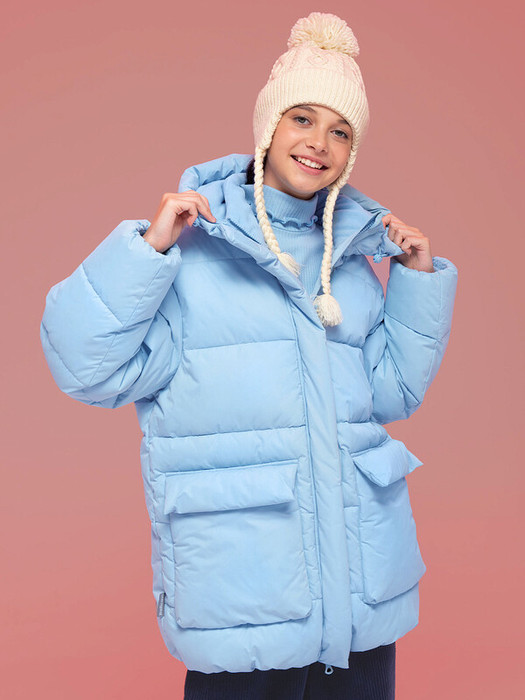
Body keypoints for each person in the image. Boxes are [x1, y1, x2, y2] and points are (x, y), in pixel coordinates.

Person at [40, 11, 458, 700]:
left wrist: (415, 282)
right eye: (302, 118)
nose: (318, 142)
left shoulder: (352, 259)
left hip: (359, 606)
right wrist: (147, 249)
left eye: (340, 131)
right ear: (268, 124)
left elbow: (390, 396)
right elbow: (83, 368)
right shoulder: (191, 251)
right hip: (245, 604)